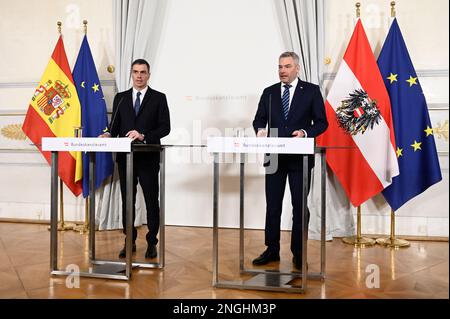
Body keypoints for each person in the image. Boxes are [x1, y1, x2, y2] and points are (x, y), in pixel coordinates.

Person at [252, 51, 328, 270]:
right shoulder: (269, 92)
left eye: (286, 67)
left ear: (297, 68)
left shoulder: (311, 91)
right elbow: (259, 118)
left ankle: (298, 252)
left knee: (299, 207)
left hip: (300, 159)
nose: (282, 71)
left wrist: (305, 132)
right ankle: (272, 249)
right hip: (274, 157)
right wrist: (260, 130)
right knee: (273, 206)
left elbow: (322, 122)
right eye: (279, 67)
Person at [100, 59, 170, 259]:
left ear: (149, 75)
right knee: (127, 200)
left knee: (150, 201)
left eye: (143, 72)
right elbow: (114, 126)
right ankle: (128, 240)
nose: (139, 76)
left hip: (148, 157)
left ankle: (151, 242)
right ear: (131, 74)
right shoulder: (121, 98)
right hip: (125, 159)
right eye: (136, 72)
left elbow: (165, 127)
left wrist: (143, 135)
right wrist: (107, 135)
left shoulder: (159, 98)